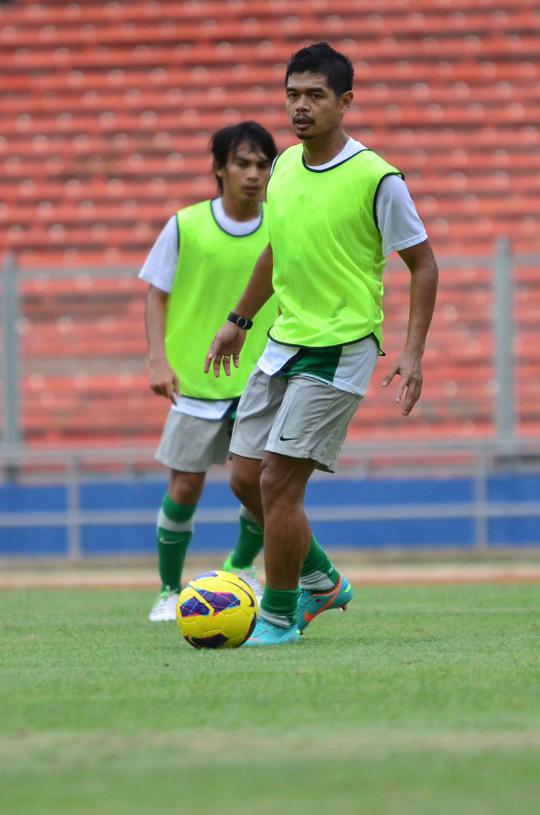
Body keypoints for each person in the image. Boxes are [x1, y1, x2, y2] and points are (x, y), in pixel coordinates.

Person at [205, 43, 439, 646]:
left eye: (314, 95)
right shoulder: (282, 167)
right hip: (284, 340)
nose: (300, 106)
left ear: (345, 101)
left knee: (280, 481)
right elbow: (277, 249)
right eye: (292, 95)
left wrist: (412, 353)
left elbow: (424, 265)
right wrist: (239, 317)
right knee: (244, 478)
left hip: (340, 346)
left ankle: (280, 615)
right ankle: (324, 579)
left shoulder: (376, 177)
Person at [139, 121, 278, 621]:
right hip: (196, 381)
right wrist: (158, 358)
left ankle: (241, 568)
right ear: (219, 168)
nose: (254, 174)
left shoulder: (280, 223)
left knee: (261, 485)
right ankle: (167, 590)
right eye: (243, 162)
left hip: (262, 378)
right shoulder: (185, 224)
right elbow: (157, 291)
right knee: (185, 486)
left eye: (263, 164)